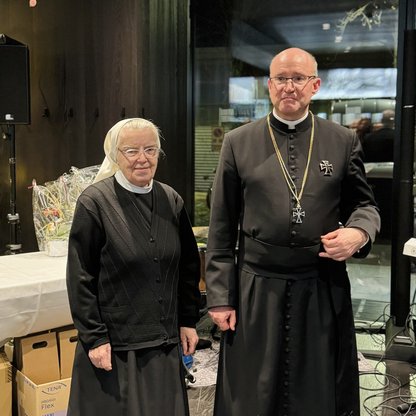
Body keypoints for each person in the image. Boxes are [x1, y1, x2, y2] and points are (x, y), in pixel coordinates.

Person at [205, 47, 380, 416]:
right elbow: (221, 225)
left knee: (317, 389)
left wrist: (358, 233)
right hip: (256, 285)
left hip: (320, 283)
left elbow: (365, 207)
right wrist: (220, 296)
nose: (289, 86)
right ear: (269, 86)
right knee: (252, 392)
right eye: (281, 79)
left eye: (298, 78)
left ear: (315, 85)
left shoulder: (342, 140)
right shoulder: (238, 142)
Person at [66, 118, 201, 416]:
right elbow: (80, 277)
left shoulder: (171, 200)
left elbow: (188, 268)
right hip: (116, 346)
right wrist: (94, 337)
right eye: (131, 151)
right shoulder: (94, 203)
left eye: (150, 150)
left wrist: (188, 319)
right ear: (115, 155)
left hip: (164, 342)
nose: (143, 158)